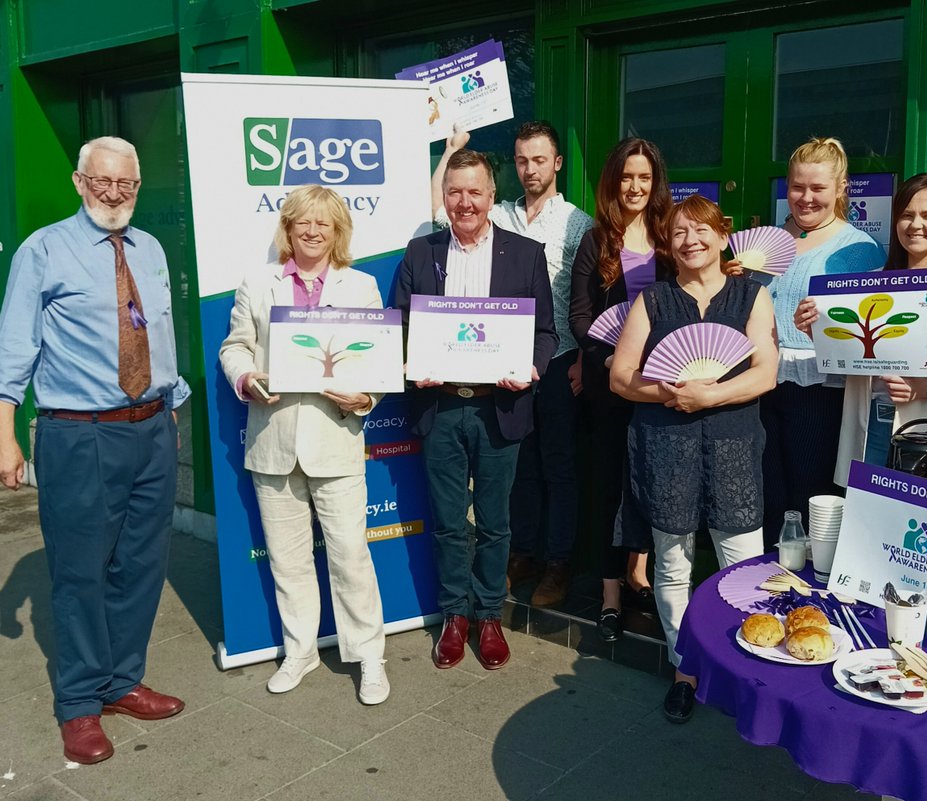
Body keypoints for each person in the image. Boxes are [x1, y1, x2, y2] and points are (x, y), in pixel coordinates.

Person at [0, 136, 189, 764]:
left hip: (152, 427)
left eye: (126, 184)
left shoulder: (151, 249)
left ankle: (121, 682)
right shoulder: (43, 249)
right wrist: (3, 436)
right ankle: (79, 703)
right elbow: (14, 352)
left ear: (139, 185)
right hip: (78, 433)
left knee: (141, 565)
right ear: (80, 182)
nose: (114, 195)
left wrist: (172, 403)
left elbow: (155, 331)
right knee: (81, 572)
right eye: (102, 182)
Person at [218, 184, 389, 705]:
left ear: (338, 231)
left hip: (335, 437)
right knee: (288, 561)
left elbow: (376, 363)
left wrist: (365, 397)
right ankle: (301, 650)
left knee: (350, 556)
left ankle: (369, 657)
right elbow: (235, 346)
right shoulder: (258, 281)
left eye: (324, 224)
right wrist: (246, 377)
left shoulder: (360, 286)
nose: (312, 231)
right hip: (273, 441)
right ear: (287, 229)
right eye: (302, 223)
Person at [610, 195, 777, 723]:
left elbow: (765, 373)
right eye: (680, 232)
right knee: (674, 564)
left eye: (701, 230)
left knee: (744, 566)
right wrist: (667, 394)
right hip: (668, 447)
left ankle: (748, 670)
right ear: (669, 243)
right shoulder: (653, 302)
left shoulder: (753, 297)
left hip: (733, 446)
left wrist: (710, 395)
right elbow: (620, 376)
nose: (691, 240)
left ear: (722, 236)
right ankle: (686, 670)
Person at [397, 148, 557, 670]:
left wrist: (530, 369)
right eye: (455, 192)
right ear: (444, 198)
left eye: (474, 192)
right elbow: (399, 326)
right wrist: (409, 363)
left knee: (495, 523)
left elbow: (545, 334)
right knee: (446, 521)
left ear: (492, 196)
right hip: (440, 407)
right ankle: (454, 617)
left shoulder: (526, 253)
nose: (464, 202)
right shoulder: (421, 252)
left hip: (499, 408)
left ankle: (488, 614)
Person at [432, 122, 592, 607]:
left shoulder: (577, 222)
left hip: (559, 360)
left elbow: (591, 296)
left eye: (539, 160)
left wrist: (585, 356)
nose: (530, 169)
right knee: (517, 466)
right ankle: (521, 553)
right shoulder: (497, 213)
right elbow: (440, 209)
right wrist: (451, 151)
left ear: (557, 163)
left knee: (560, 466)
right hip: (498, 365)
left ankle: (558, 563)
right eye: (522, 160)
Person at [794, 173, 927, 482]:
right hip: (870, 428)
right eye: (906, 215)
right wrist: (818, 332)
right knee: (869, 522)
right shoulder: (867, 285)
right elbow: (846, 364)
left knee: (920, 525)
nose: (915, 225)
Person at [750, 137, 886, 543]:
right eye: (797, 187)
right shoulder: (762, 243)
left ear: (841, 188)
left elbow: (871, 338)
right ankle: (764, 585)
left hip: (820, 388)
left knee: (811, 496)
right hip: (758, 381)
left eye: (818, 188)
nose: (806, 198)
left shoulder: (860, 250)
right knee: (764, 493)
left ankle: (808, 594)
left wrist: (828, 328)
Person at [568, 137, 674, 641]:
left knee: (651, 484)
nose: (635, 187)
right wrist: (610, 359)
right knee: (609, 488)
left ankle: (642, 575)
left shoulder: (672, 237)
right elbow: (581, 316)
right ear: (614, 181)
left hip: (661, 387)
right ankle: (610, 596)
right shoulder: (597, 240)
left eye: (644, 178)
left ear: (656, 185)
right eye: (627, 177)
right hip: (611, 391)